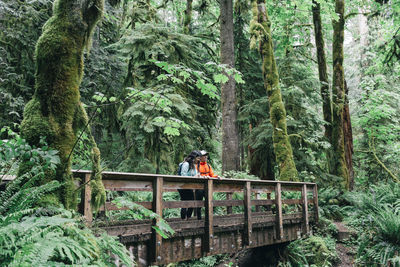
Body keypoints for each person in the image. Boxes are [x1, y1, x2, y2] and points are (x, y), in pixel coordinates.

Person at [195, 150, 220, 219]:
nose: (206, 157)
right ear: (200, 157)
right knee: (198, 205)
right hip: (199, 187)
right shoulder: (197, 166)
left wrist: (217, 176)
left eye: (206, 155)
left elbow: (212, 175)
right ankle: (199, 220)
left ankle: (208, 219)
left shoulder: (208, 166)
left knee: (209, 203)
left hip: (207, 187)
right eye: (204, 156)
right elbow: (195, 175)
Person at [178, 150, 201, 220]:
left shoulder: (193, 165)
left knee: (191, 203)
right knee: (185, 203)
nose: (199, 160)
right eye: (198, 158)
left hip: (189, 186)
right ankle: (183, 220)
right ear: (194, 157)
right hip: (182, 186)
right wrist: (194, 177)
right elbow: (183, 175)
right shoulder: (186, 164)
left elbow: (195, 174)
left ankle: (188, 218)